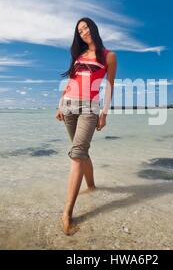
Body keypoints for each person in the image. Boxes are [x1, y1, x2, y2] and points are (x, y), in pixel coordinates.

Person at [55, 17, 117, 235]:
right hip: (70, 107)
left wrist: (104, 113)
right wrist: (60, 104)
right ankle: (91, 187)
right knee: (81, 152)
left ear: (94, 28)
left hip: (90, 109)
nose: (83, 32)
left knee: (77, 154)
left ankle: (67, 214)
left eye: (86, 27)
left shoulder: (109, 56)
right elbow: (71, 82)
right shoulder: (79, 56)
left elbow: (109, 86)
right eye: (79, 31)